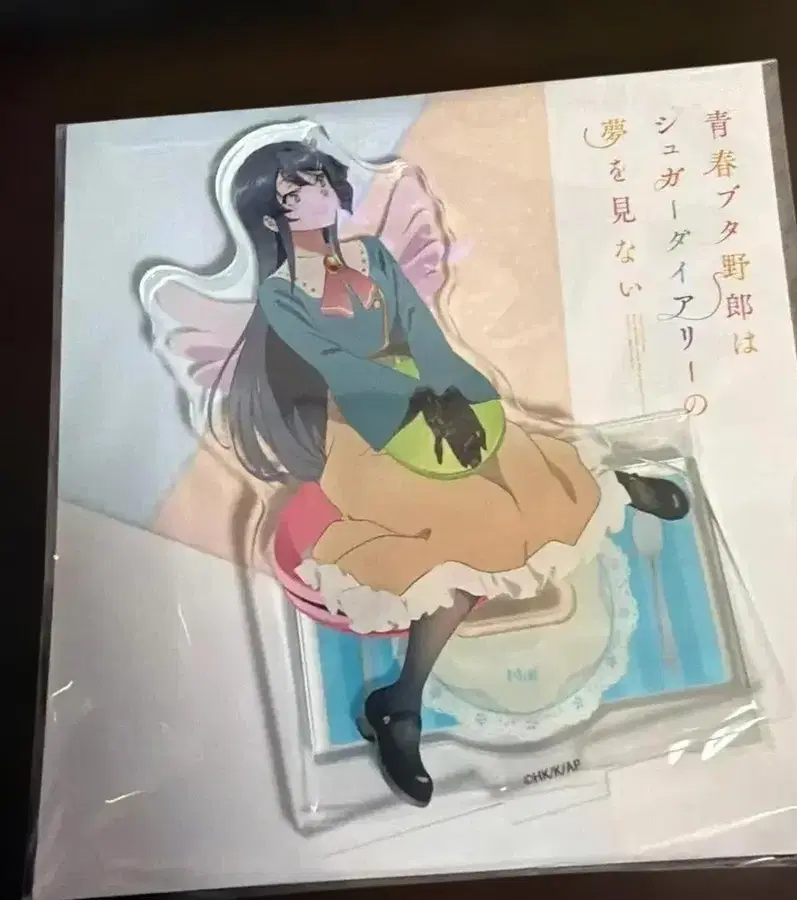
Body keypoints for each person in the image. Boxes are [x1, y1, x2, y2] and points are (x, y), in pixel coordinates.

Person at [156, 135, 690, 807]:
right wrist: (415, 408)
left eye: (317, 180)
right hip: (364, 430)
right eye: (294, 193)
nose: (314, 195)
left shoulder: (372, 254)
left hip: (437, 396)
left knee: (520, 459)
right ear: (270, 217)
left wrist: (459, 396)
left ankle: (610, 485)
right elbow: (339, 368)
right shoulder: (281, 296)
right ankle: (400, 703)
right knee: (461, 535)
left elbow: (423, 329)